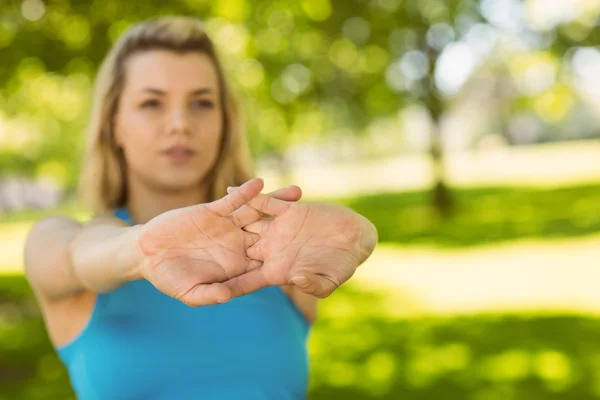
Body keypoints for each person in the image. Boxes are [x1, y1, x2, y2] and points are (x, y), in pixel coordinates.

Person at [23, 16, 378, 400]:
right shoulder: (69, 245)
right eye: (151, 103)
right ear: (114, 126)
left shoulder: (275, 251)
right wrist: (142, 248)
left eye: (202, 103)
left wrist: (362, 234)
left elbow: (352, 236)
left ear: (225, 123)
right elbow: (75, 254)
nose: (179, 124)